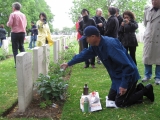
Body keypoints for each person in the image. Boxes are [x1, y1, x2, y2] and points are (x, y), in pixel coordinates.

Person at [61, 26, 154, 107]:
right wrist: (69, 63)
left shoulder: (110, 46)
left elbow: (128, 66)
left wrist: (124, 85)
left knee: (120, 102)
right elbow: (84, 54)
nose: (86, 40)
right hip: (117, 77)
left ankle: (146, 90)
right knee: (111, 98)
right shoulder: (95, 46)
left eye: (86, 38)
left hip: (128, 76)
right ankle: (138, 89)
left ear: (93, 36)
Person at [142, 0, 160, 85]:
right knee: (147, 57)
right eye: (152, 0)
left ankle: (158, 77)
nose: (154, 2)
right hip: (149, 37)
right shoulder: (147, 10)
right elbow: (145, 23)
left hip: (158, 37)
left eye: (156, 0)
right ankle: (147, 75)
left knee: (159, 58)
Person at [7, 2, 27, 67]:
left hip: (15, 33)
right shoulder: (23, 15)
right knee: (21, 47)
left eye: (12, 7)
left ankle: (18, 64)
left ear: (14, 8)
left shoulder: (12, 14)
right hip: (22, 32)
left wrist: (7, 24)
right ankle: (25, 61)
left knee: (15, 49)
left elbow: (10, 24)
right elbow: (25, 24)